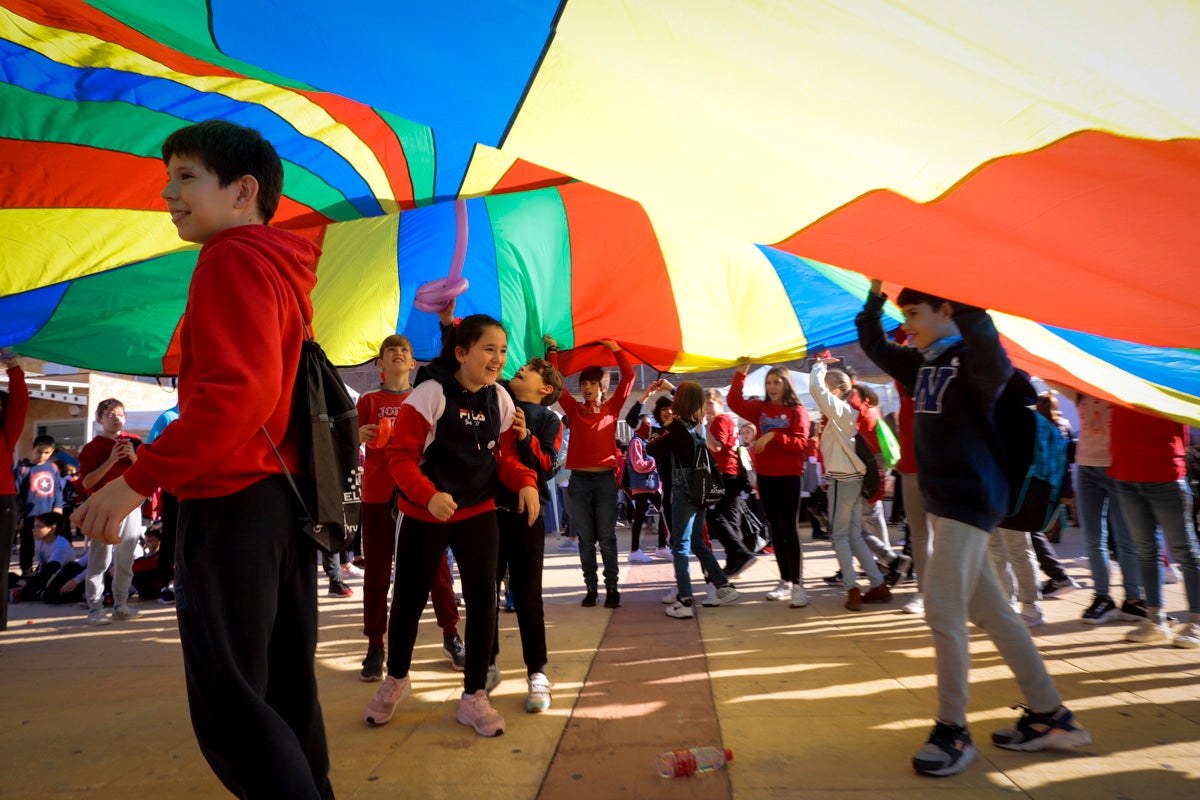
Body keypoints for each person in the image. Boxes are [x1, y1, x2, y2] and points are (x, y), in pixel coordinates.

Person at [73, 119, 335, 798]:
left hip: (232, 505)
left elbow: (237, 396)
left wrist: (138, 481)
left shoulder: (228, 257)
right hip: (281, 508)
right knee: (282, 693)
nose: (168, 194)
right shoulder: (276, 267)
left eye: (186, 177)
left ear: (243, 190)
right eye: (170, 179)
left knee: (235, 705)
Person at [857, 279, 1090, 778]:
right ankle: (1051, 716)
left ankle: (952, 729)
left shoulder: (979, 362)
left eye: (916, 313)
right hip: (949, 505)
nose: (908, 325)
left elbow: (985, 336)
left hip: (973, 502)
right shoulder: (921, 365)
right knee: (995, 614)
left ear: (947, 311)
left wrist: (955, 281)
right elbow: (874, 341)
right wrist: (876, 296)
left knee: (942, 609)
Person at [365, 314, 539, 737]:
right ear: (461, 353)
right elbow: (400, 457)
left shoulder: (498, 399)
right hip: (425, 512)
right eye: (488, 349)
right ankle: (396, 678)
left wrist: (526, 483)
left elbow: (506, 460)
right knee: (407, 598)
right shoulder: (428, 393)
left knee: (483, 602)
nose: (498, 358)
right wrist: (428, 495)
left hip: (478, 511)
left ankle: (474, 695)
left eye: (502, 349)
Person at [356, 332, 466, 682]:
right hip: (376, 496)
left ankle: (451, 635)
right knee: (376, 573)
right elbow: (343, 442)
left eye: (405, 350)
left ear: (413, 362)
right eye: (391, 351)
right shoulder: (367, 401)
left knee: (437, 570)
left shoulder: (426, 397)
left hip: (419, 496)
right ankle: (375, 645)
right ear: (380, 364)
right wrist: (356, 436)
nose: (399, 355)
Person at [491, 354, 564, 712]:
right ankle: (485, 663)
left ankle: (537, 672)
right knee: (482, 592)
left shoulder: (550, 420)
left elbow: (547, 465)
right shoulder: (496, 396)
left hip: (527, 516)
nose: (517, 368)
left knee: (527, 595)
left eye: (530, 370)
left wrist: (526, 436)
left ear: (545, 388)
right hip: (488, 509)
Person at [544, 336, 635, 609]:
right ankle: (591, 589)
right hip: (580, 481)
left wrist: (616, 349)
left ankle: (612, 588)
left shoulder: (612, 407)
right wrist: (553, 352)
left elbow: (629, 376)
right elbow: (556, 382)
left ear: (602, 387)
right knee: (586, 539)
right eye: (584, 384)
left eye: (592, 383)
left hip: (605, 481)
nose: (587, 388)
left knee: (606, 537)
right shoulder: (572, 410)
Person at [646, 381, 739, 618]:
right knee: (697, 541)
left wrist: (661, 427)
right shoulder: (699, 425)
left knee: (680, 545)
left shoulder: (677, 427)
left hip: (682, 490)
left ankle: (685, 600)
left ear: (680, 403)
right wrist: (673, 390)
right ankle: (723, 587)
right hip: (700, 490)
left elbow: (652, 449)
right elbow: (690, 400)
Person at [1109, 405, 1199, 648]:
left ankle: (1197, 622)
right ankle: (1156, 620)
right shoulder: (1113, 377)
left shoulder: (1158, 370)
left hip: (1165, 472)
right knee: (1146, 551)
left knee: (1185, 552)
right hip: (1126, 473)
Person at [808, 360, 891, 611]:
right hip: (853, 478)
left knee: (840, 536)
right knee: (853, 534)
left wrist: (818, 367)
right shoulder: (850, 409)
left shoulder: (842, 410)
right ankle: (878, 584)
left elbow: (816, 389)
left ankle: (852, 587)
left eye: (827, 389)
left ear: (834, 391)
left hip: (844, 479)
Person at [728, 363, 811, 607]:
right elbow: (734, 402)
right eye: (768, 382)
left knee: (789, 529)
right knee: (775, 529)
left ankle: (798, 585)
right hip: (766, 477)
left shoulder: (797, 411)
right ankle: (785, 581)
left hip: (789, 476)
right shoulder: (761, 407)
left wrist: (774, 434)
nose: (772, 386)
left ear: (786, 384)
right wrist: (740, 373)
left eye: (776, 382)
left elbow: (801, 445)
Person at [77, 398, 144, 626]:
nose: (116, 419)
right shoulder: (92, 448)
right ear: (99, 419)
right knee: (100, 559)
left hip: (130, 505)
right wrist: (111, 460)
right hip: (102, 506)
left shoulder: (134, 442)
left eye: (120, 415)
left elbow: (145, 473)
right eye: (110, 415)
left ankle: (121, 605)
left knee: (126, 559)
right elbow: (87, 482)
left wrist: (133, 458)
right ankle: (95, 608)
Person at [703, 389, 758, 578]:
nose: (707, 408)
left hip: (726, 474)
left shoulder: (720, 420)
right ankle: (734, 563)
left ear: (720, 403)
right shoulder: (726, 420)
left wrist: (704, 429)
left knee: (714, 516)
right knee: (730, 518)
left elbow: (717, 445)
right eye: (705, 405)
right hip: (731, 475)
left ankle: (742, 555)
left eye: (710, 403)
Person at [1, 355, 29, 630]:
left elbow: (19, 402)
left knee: (0, 568)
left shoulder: (6, 434)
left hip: (3, 502)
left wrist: (14, 367)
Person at [14, 435, 64, 576]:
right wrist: (19, 517)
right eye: (39, 451)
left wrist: (58, 507)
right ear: (33, 448)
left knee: (49, 543)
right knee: (27, 544)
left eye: (47, 452)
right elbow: (15, 496)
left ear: (52, 451)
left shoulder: (53, 468)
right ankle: (26, 570)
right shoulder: (22, 470)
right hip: (29, 516)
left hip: (48, 513)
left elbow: (57, 490)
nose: (42, 455)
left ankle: (46, 569)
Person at [8, 512, 77, 603]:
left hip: (56, 579)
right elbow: (42, 567)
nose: (33, 530)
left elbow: (50, 570)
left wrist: (28, 583)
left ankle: (33, 592)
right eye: (34, 526)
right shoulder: (40, 540)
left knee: (28, 590)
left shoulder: (61, 546)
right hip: (43, 576)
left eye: (38, 527)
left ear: (52, 529)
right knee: (9, 577)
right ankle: (25, 589)